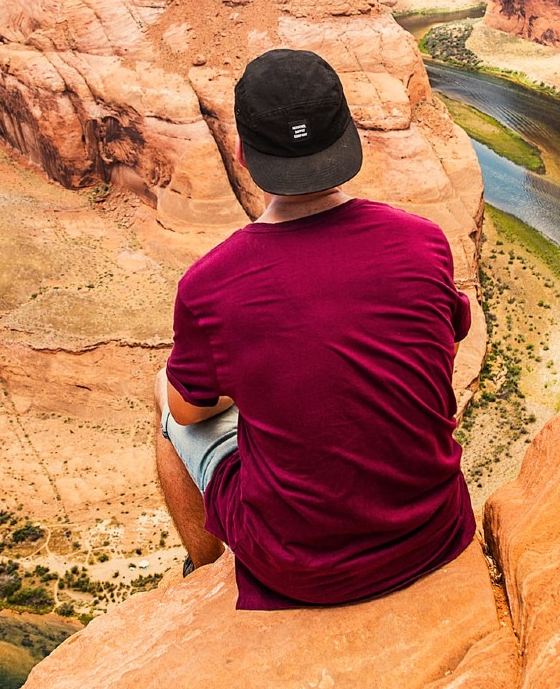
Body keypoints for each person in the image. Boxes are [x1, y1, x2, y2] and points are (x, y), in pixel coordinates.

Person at [154, 47, 475, 610]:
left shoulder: (212, 285)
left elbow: (189, 413)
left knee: (165, 397)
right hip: (435, 532)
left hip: (304, 570)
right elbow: (444, 341)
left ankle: (202, 570)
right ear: (348, 135)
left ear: (242, 154)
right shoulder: (423, 241)